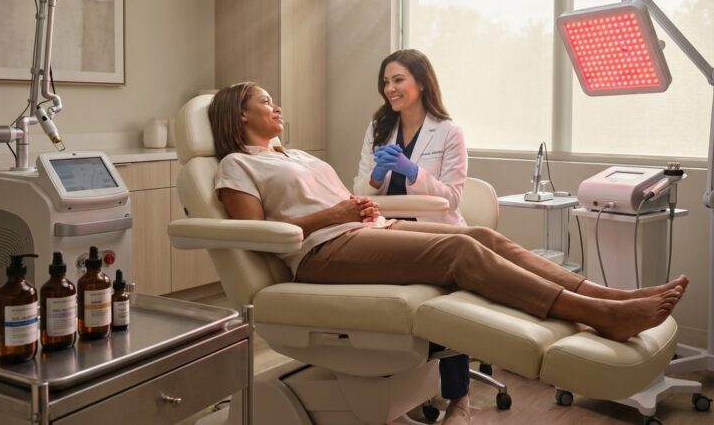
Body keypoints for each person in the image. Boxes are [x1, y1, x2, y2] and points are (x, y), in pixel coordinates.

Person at [210, 82, 688, 421]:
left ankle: (612, 298)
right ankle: (598, 314)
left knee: (476, 236)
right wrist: (332, 217)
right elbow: (257, 232)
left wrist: (368, 211)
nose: (276, 107)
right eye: (264, 103)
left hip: (365, 231)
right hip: (322, 254)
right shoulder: (236, 164)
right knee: (457, 254)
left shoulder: (297, 156)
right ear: (239, 118)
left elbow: (348, 200)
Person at [353, 49, 471, 424]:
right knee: (387, 309)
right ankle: (397, 397)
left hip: (433, 232)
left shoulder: (449, 131)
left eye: (398, 79)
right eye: (386, 81)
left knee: (448, 308)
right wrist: (376, 176)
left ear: (421, 82)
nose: (390, 88)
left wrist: (413, 172)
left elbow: (451, 197)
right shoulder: (378, 128)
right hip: (388, 232)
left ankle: (460, 400)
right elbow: (358, 190)